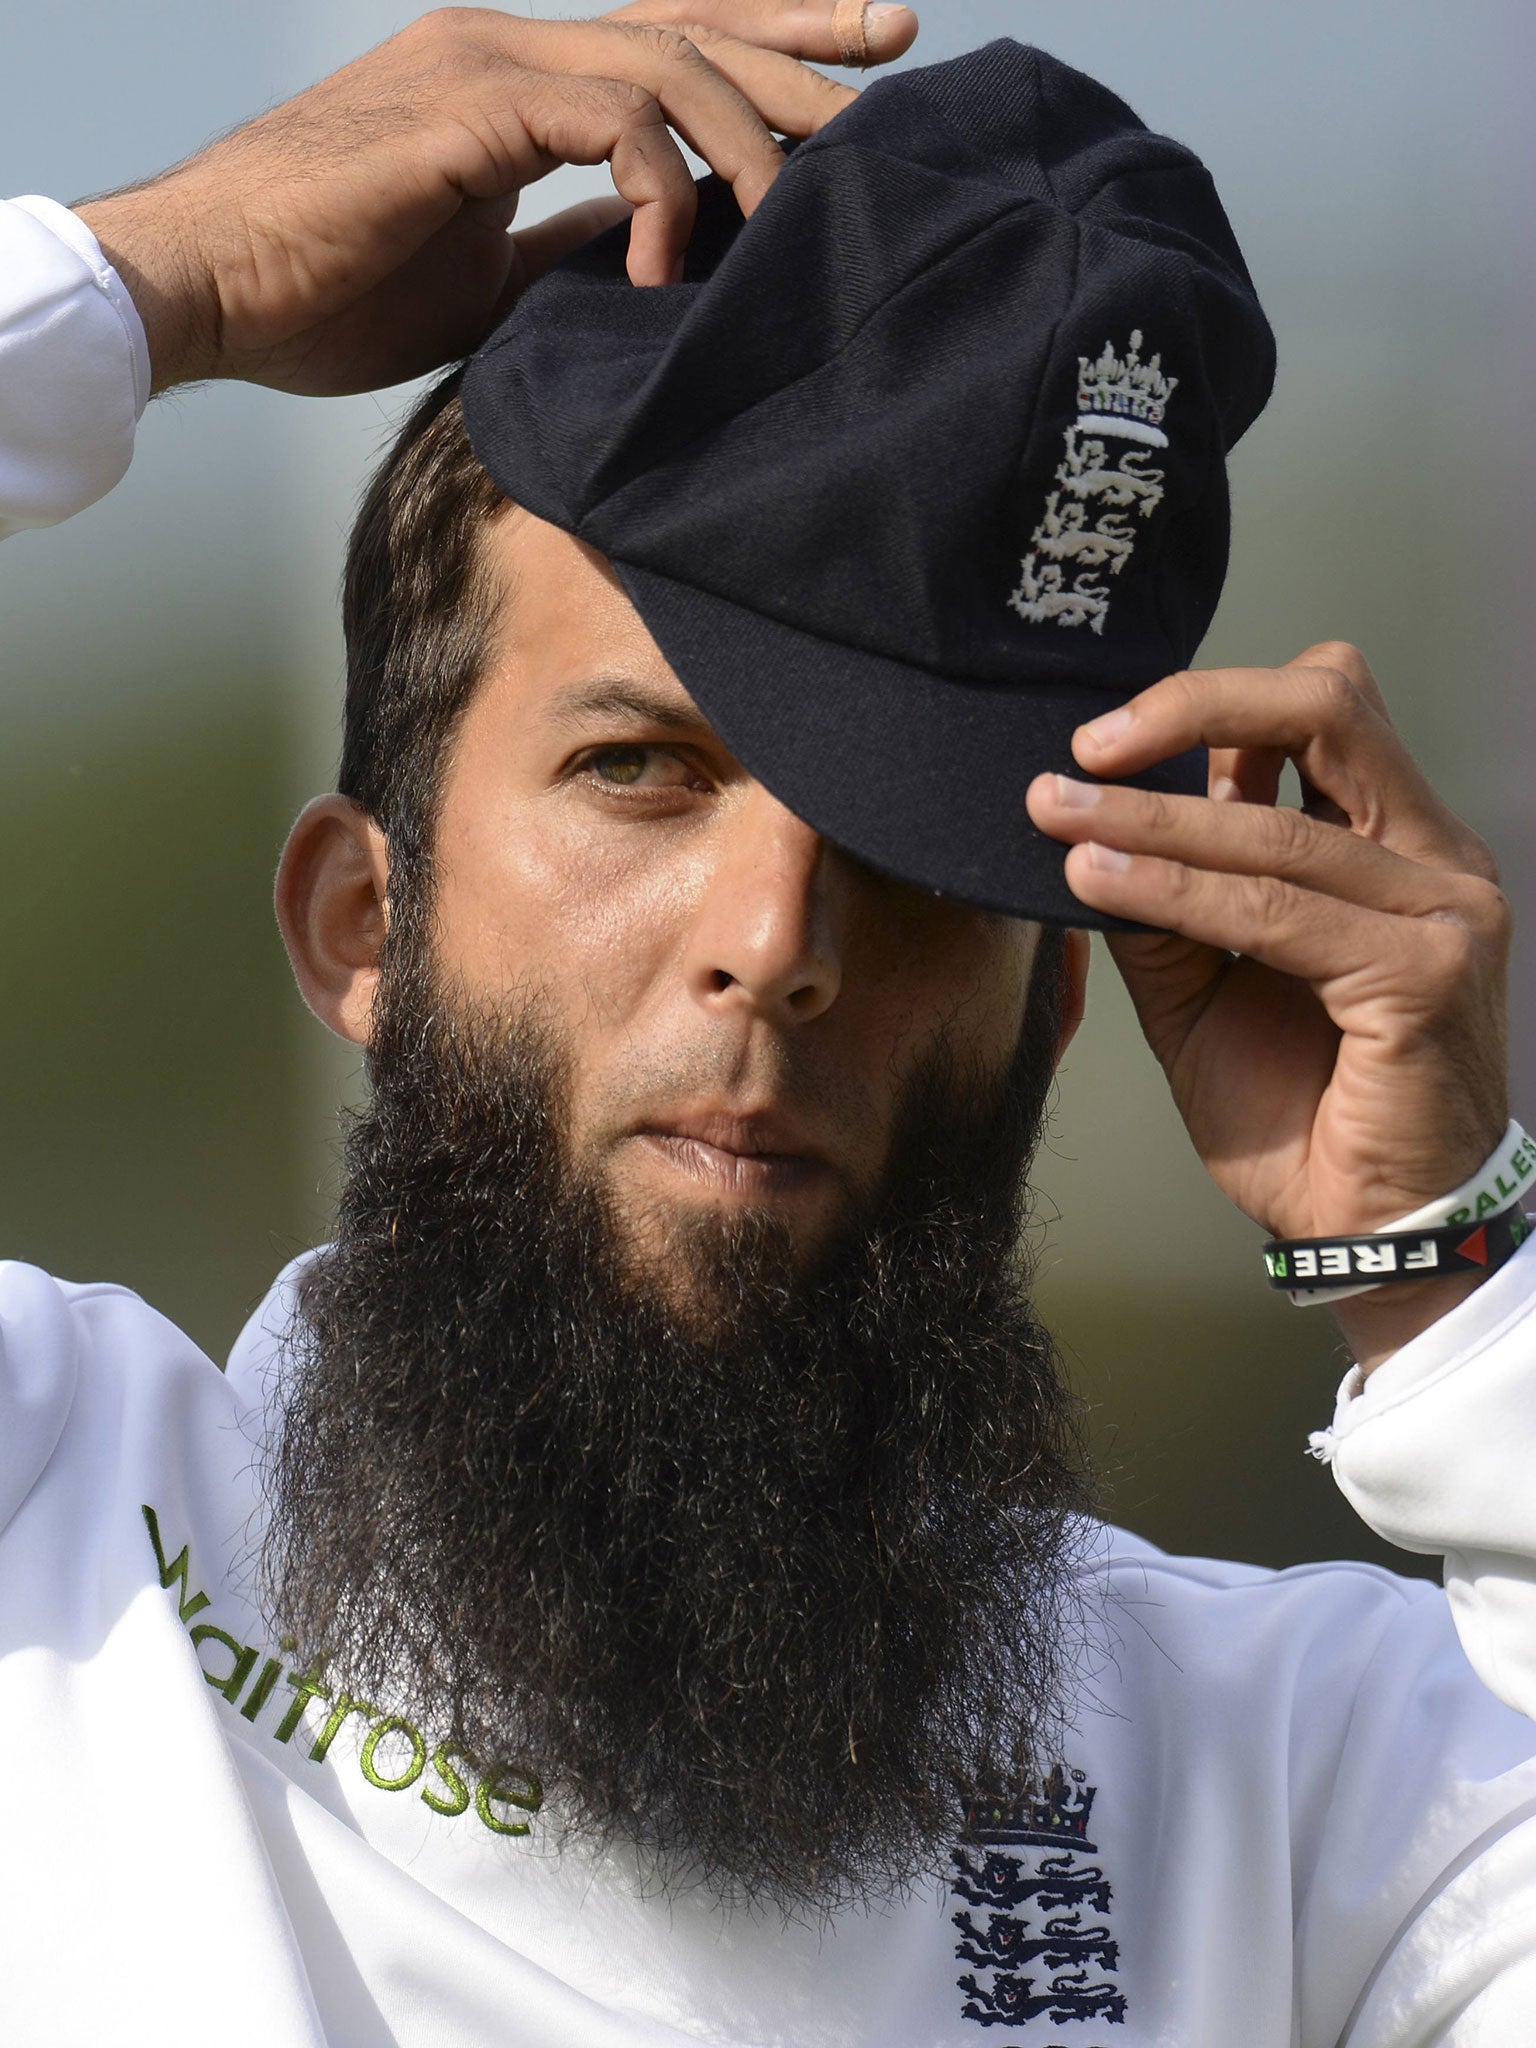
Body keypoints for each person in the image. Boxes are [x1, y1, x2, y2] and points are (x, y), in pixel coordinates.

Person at [2, 6, 1534, 2044]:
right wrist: (137, 281)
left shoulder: (1321, 1785)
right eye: (644, 767)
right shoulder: (50, 1522)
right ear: (361, 920)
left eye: (911, 852)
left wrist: (1458, 1285)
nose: (780, 937)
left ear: (1055, 1001)